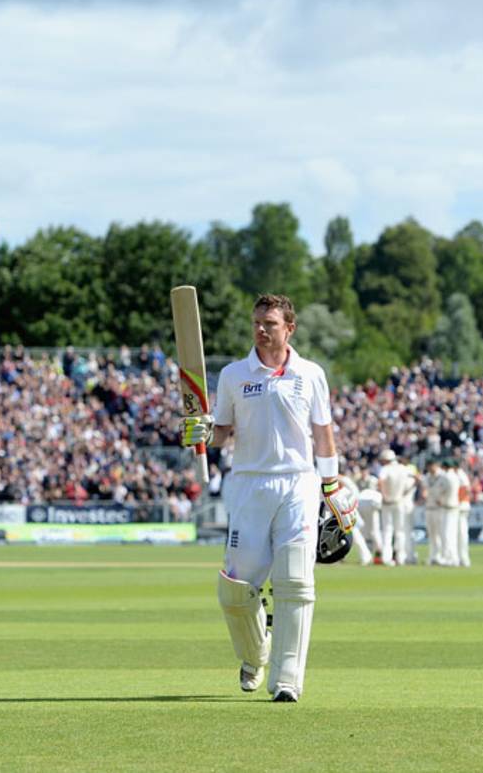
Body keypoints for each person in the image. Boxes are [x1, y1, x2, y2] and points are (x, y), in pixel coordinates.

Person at [180, 293, 356, 703]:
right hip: (249, 484)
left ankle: (287, 680)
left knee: (295, 580)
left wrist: (330, 486)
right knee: (236, 588)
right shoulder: (234, 374)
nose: (261, 329)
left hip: (298, 483)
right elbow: (222, 432)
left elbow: (323, 433)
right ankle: (254, 654)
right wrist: (202, 432)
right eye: (257, 322)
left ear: (289, 328)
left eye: (270, 323)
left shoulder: (310, 374)